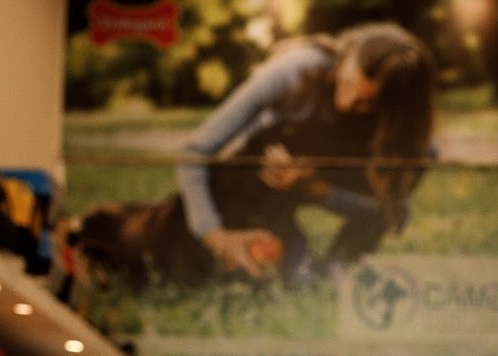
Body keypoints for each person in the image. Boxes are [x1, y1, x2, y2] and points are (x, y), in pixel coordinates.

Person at [177, 21, 435, 282]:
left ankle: (337, 265)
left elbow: (393, 216)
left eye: (367, 104)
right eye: (346, 85)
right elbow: (195, 152)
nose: (346, 104)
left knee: (326, 277)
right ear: (347, 57)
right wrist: (214, 236)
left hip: (318, 182)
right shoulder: (296, 71)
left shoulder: (410, 139)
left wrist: (317, 190)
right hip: (260, 187)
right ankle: (297, 261)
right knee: (288, 278)